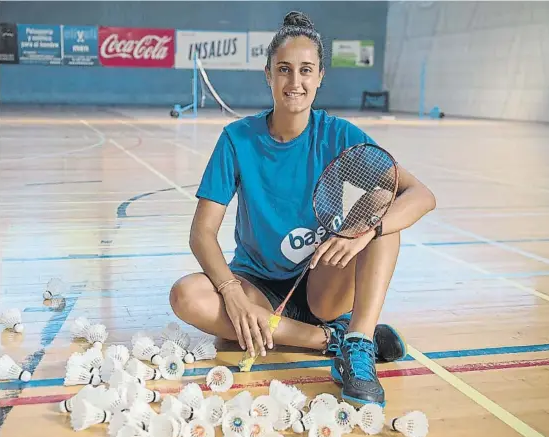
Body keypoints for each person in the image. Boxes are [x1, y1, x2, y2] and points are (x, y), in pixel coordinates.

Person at [169, 11, 436, 408]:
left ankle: (360, 343)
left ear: (320, 76)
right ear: (268, 75)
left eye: (306, 70)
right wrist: (232, 293)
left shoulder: (338, 135)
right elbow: (202, 233)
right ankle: (333, 340)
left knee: (383, 208)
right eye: (285, 70)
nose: (295, 82)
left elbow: (420, 195)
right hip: (255, 285)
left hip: (323, 284)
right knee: (185, 296)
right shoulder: (237, 139)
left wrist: (367, 232)